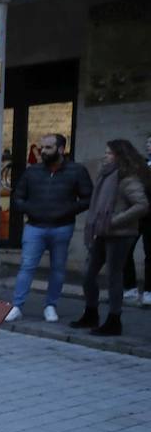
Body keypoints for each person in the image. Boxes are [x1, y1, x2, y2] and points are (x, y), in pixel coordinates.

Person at [8, 134, 93, 322]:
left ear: (61, 149)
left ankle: (50, 305)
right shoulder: (32, 172)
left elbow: (87, 197)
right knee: (27, 267)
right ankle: (16, 306)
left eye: (48, 147)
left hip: (62, 227)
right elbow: (18, 197)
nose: (43, 151)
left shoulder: (77, 171)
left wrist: (68, 210)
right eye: (42, 147)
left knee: (58, 268)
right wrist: (30, 209)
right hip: (34, 227)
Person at [71, 139, 149, 337]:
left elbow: (141, 205)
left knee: (114, 276)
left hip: (121, 234)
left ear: (120, 156)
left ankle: (114, 320)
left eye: (109, 153)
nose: (105, 156)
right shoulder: (106, 175)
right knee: (88, 273)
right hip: (102, 232)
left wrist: (113, 221)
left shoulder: (127, 178)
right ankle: (91, 313)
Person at [121, 134, 151, 306]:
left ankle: (148, 291)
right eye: (147, 143)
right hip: (137, 215)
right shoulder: (142, 166)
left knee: (150, 254)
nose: (148, 146)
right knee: (126, 249)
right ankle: (130, 287)